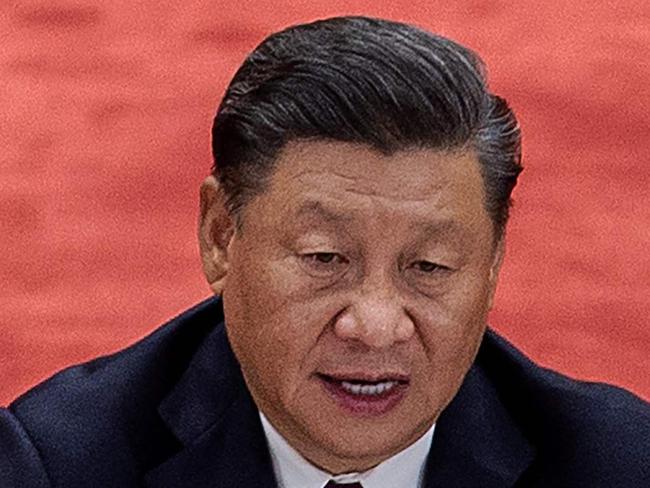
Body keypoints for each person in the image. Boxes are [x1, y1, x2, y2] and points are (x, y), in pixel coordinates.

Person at [1, 15, 648, 488]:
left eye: (428, 267)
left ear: (494, 260)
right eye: (324, 258)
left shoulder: (617, 462)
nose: (374, 326)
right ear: (222, 236)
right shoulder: (56, 465)